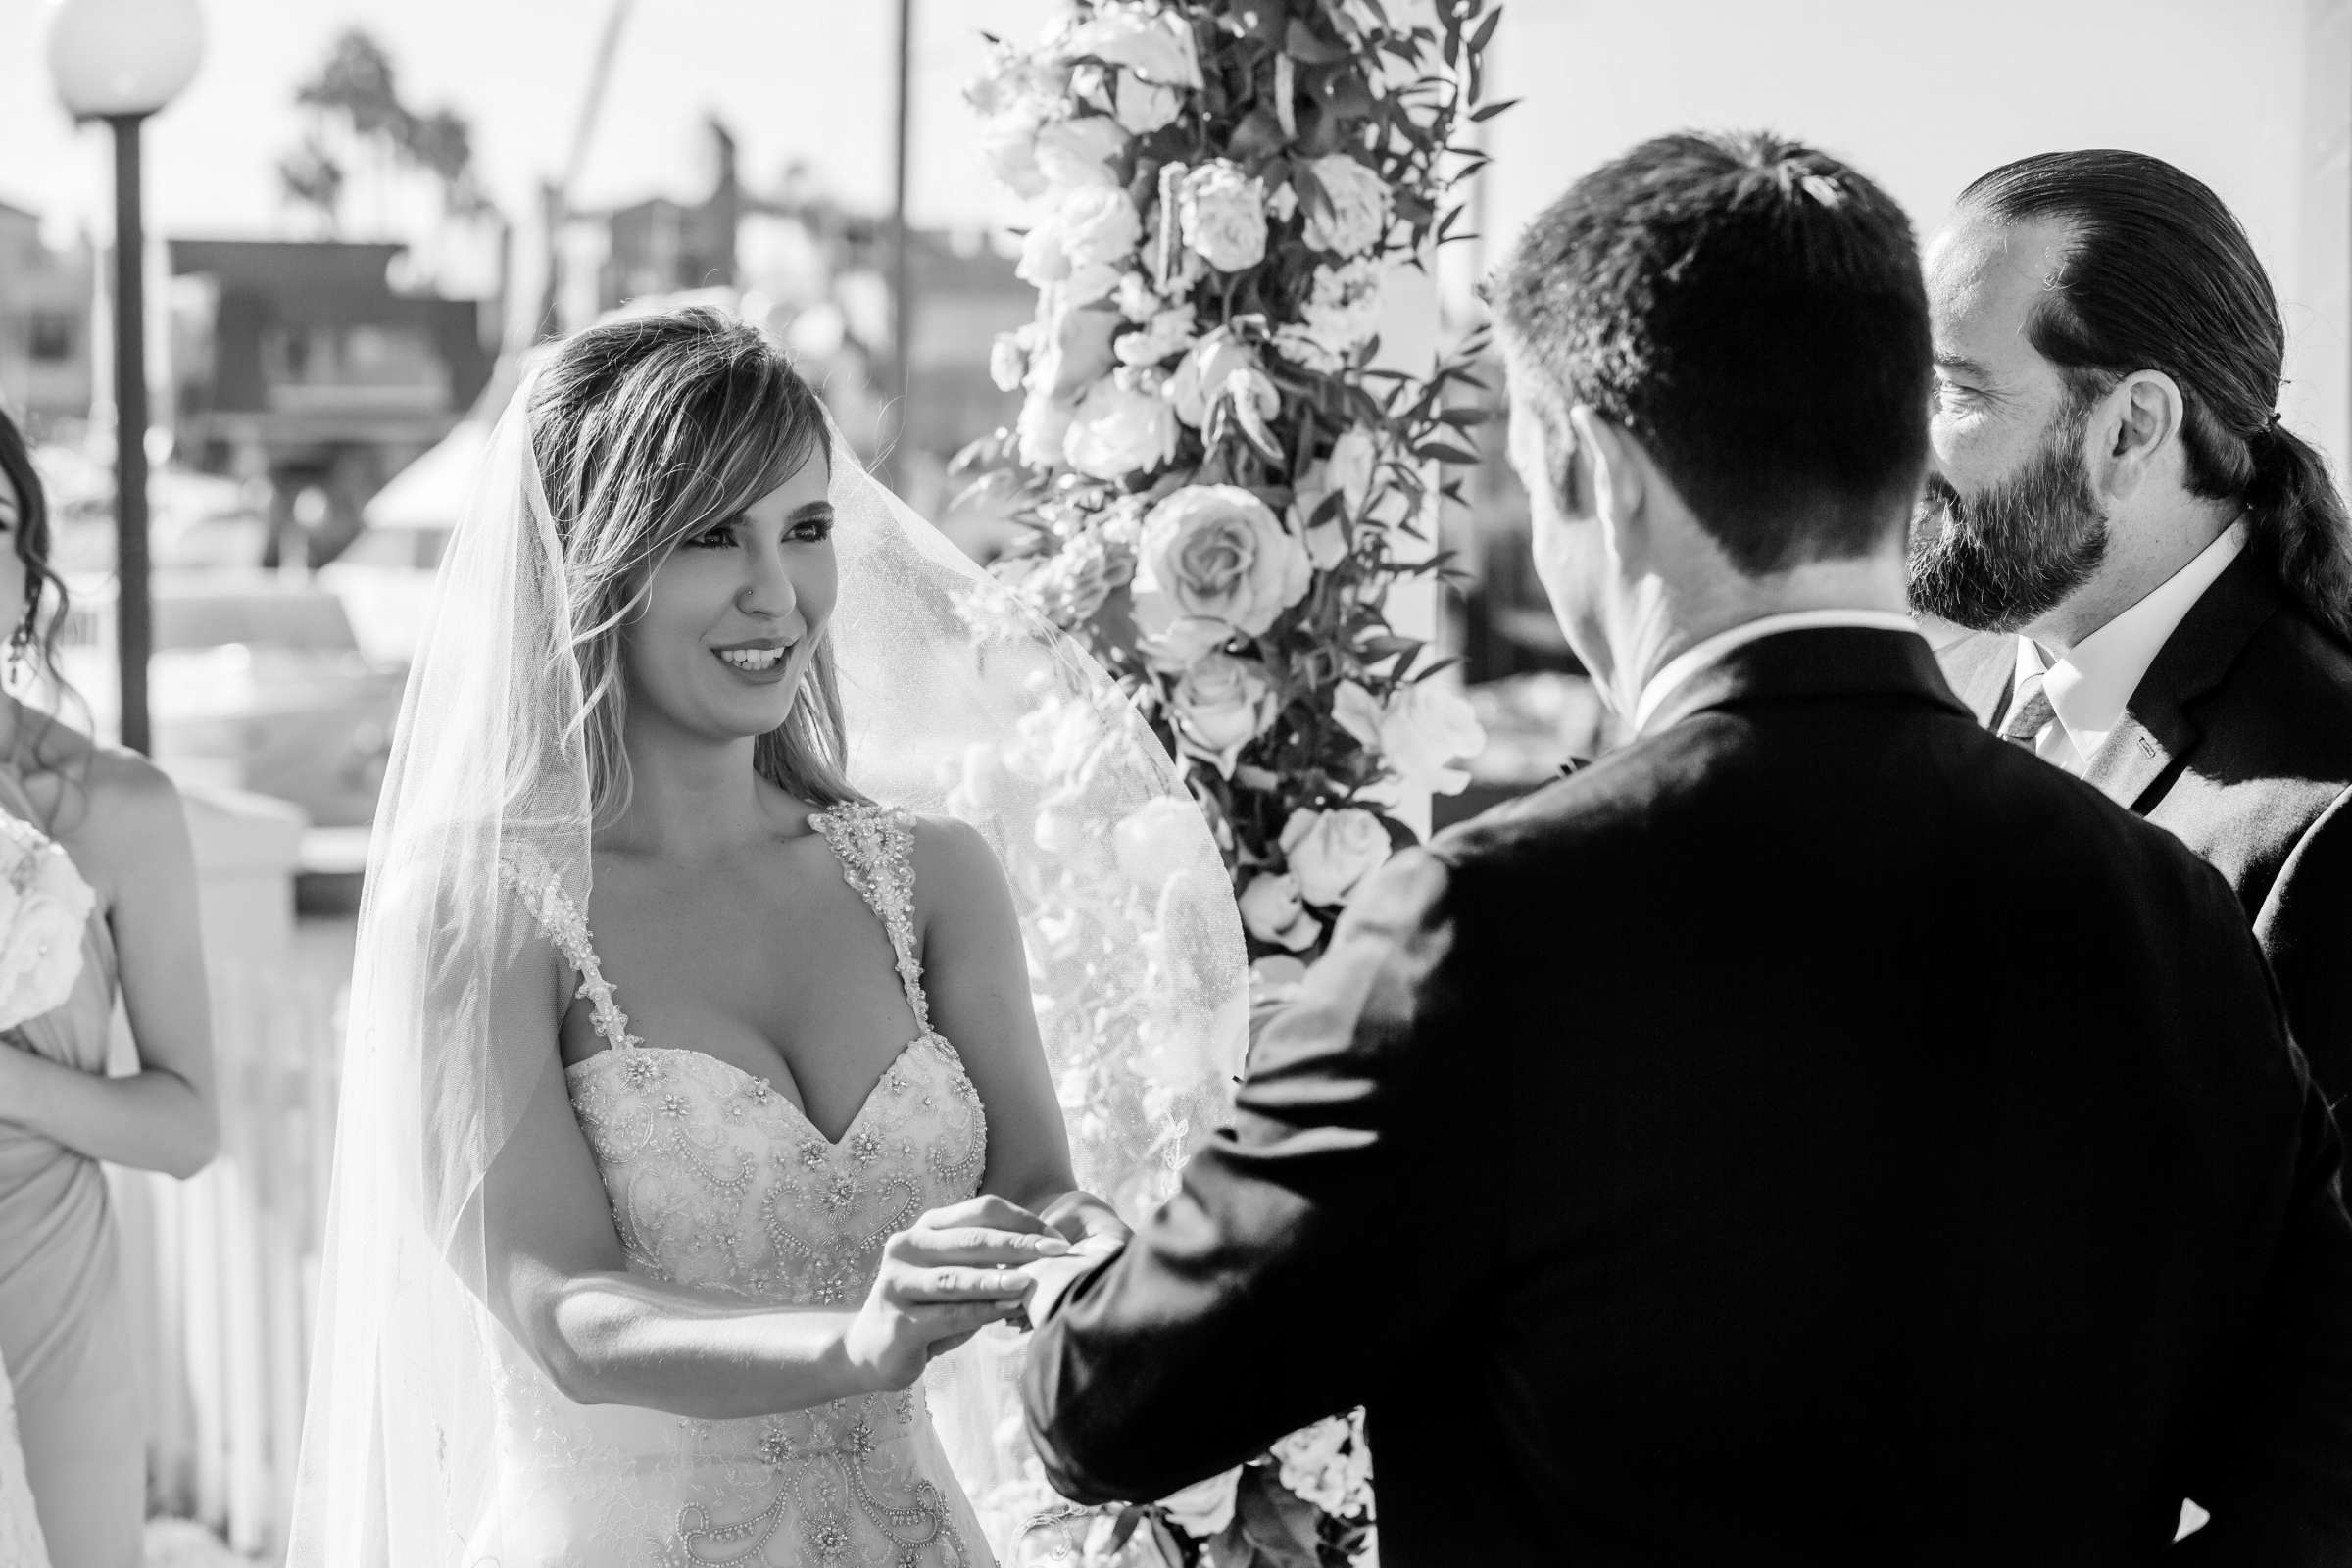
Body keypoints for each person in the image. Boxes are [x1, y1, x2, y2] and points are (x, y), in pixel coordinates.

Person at [1017, 132, 2352, 1564]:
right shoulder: (2167, 904)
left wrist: (1061, 1276)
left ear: (1594, 470)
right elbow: (2315, 1452)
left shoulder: (1487, 925)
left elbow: (1111, 1407)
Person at [286, 308, 1242, 1567]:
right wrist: (860, 1339)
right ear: (589, 559)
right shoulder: (479, 908)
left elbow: (1035, 1183)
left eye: (804, 529)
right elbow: (566, 1311)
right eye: (708, 535)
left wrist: (1091, 1241)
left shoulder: (932, 877)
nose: (777, 594)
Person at [1914, 150, 2352, 1102]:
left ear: (2130, 428)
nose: (1907, 438)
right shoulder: (1961, 679)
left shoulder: (2323, 824)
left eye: (1957, 392)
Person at [0, 406, 219, 1567]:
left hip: (47, 1304)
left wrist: (13, 1089)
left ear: (27, 570)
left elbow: (189, 1128)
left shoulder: (121, 807)